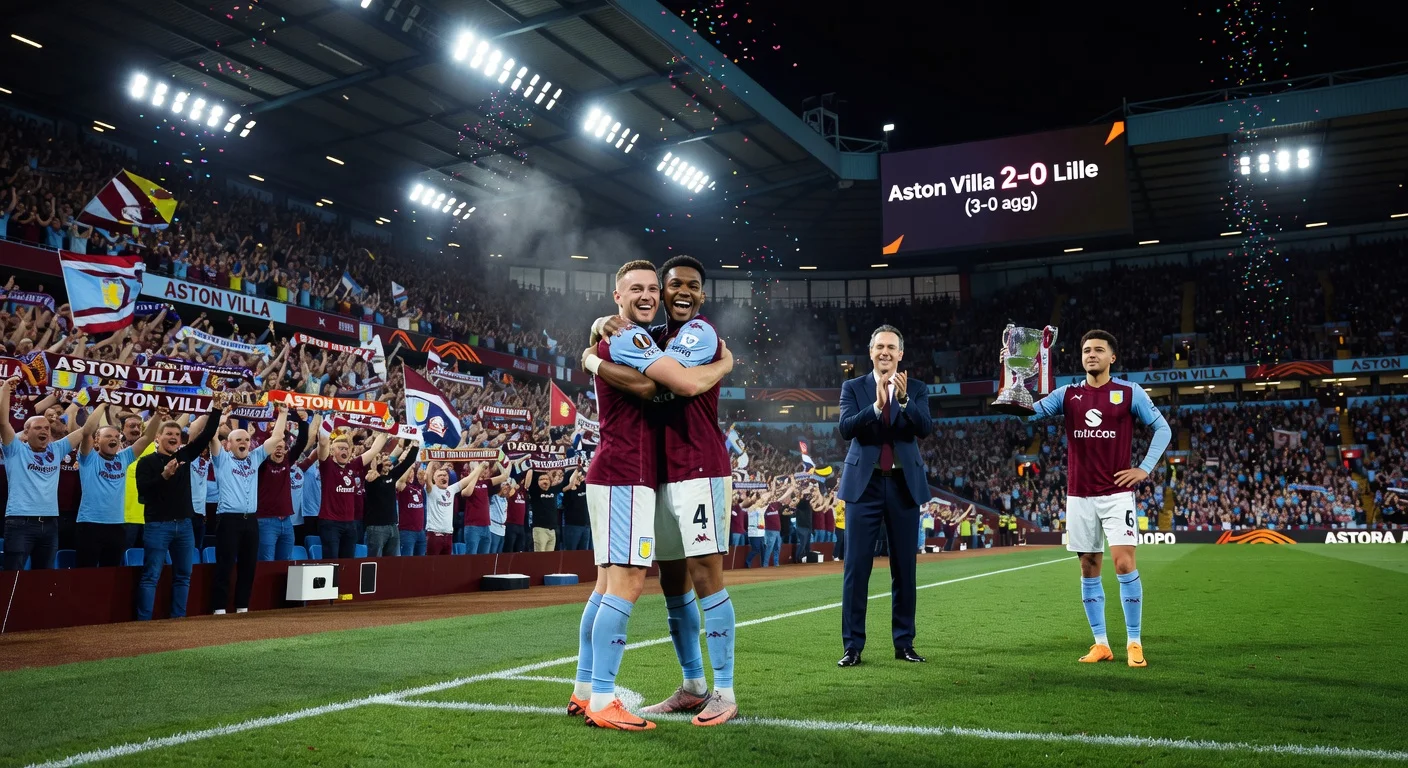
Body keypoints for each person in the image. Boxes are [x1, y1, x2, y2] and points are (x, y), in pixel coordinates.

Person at [568, 259, 733, 731]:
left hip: (687, 472)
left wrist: (721, 359)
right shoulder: (634, 336)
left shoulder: (695, 331)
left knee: (668, 580)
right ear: (618, 296)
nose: (659, 294)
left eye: (690, 286)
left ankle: (718, 689)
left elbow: (673, 381)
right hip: (631, 476)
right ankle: (600, 696)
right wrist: (599, 348)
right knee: (624, 582)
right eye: (643, 288)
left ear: (701, 295)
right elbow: (661, 383)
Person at [1016, 329, 1171, 668]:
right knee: (1088, 567)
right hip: (1079, 496)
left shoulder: (1129, 393)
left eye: (1099, 350)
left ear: (1112, 357)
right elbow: (1025, 412)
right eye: (1087, 350)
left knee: (1124, 564)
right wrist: (1014, 381)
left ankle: (1134, 641)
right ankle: (1101, 643)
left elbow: (1164, 429)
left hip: (1116, 495)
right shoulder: (1067, 394)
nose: (1091, 355)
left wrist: (1144, 468)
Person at [836, 325, 933, 668]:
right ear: (871, 351)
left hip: (904, 485)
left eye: (891, 347)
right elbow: (846, 427)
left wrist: (903, 401)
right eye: (879, 347)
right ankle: (853, 647)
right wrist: (876, 408)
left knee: (904, 568)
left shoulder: (917, 389)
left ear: (901, 353)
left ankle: (904, 643)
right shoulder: (853, 387)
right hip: (865, 485)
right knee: (856, 568)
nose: (885, 352)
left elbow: (923, 427)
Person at [133, 401, 222, 620]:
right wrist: (164, 475)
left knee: (184, 575)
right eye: (168, 433)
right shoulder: (146, 462)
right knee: (151, 576)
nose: (174, 437)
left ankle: (178, 619)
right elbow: (143, 492)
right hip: (157, 525)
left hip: (184, 525)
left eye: (177, 434)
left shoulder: (184, 456)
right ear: (157, 437)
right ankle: (143, 623)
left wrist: (217, 409)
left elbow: (207, 433)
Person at [210, 405, 291, 614]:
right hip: (228, 520)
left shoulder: (254, 458)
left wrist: (282, 414)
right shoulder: (222, 459)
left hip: (250, 520)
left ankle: (242, 607)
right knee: (225, 566)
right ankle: (219, 608)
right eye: (238, 440)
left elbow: (276, 438)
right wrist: (220, 419)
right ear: (228, 444)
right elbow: (211, 437)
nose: (244, 443)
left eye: (246, 440)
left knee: (248, 566)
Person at [1, 377, 81, 570]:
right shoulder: (15, 450)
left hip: (51, 523)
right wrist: (5, 390)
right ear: (25, 434)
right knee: (13, 578)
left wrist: (89, 400)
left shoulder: (56, 450)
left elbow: (86, 430)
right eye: (38, 428)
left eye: (46, 427)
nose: (44, 430)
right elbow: (3, 423)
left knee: (44, 580)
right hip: (20, 523)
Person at [75, 403, 154, 567]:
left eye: (116, 437)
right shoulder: (89, 458)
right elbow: (87, 431)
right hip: (90, 524)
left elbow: (147, 438)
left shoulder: (124, 458)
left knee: (110, 576)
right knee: (85, 575)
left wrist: (159, 415)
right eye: (108, 436)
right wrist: (103, 403)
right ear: (97, 441)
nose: (113, 439)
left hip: (117, 525)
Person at [316, 428, 389, 558]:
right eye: (340, 448)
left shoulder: (353, 466)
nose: (344, 451)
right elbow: (322, 445)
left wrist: (386, 431)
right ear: (332, 451)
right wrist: (324, 433)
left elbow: (373, 450)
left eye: (347, 448)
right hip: (330, 524)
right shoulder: (327, 466)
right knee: (330, 561)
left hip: (350, 523)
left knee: (348, 564)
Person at [255, 411, 313, 562]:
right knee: (266, 562)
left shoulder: (288, 461)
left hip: (287, 521)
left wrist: (304, 421)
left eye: (282, 447)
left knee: (285, 563)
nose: (279, 449)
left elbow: (301, 442)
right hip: (265, 521)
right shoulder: (261, 463)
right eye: (275, 447)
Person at [364, 442, 418, 557]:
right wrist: (374, 464)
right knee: (374, 563)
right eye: (382, 460)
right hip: (376, 528)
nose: (387, 462)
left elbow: (408, 462)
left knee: (393, 565)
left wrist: (416, 444)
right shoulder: (369, 479)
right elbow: (372, 473)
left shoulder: (391, 477)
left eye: (388, 460)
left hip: (393, 527)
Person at [426, 462, 485, 555]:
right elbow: (426, 478)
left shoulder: (451, 489)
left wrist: (480, 467)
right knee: (432, 566)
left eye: (445, 475)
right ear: (434, 479)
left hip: (448, 536)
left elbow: (469, 479)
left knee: (446, 567)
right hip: (434, 536)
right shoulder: (431, 490)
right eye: (440, 475)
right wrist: (431, 463)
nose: (443, 477)